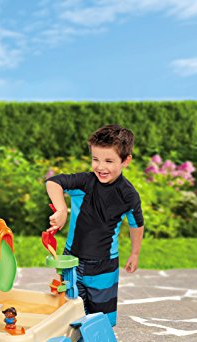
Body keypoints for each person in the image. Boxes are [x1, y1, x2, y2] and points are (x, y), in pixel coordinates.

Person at [45, 124, 144, 327]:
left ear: (125, 161)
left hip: (103, 265)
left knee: (101, 318)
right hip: (71, 259)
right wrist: (62, 210)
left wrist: (135, 253)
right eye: (95, 159)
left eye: (109, 161)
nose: (100, 167)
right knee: (70, 312)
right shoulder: (85, 182)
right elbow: (53, 183)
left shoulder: (128, 195)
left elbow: (136, 224)